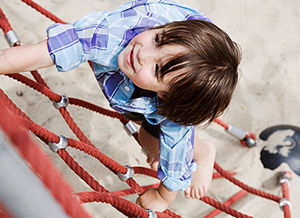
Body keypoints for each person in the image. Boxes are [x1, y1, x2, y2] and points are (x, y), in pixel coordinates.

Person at [0, 0, 241, 212]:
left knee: (152, 142)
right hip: (177, 37)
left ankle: (203, 151)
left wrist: (162, 197)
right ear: (160, 30)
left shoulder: (172, 109)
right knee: (150, 140)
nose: (142, 54)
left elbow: (176, 162)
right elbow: (42, 53)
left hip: (177, 83)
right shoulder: (110, 36)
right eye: (157, 40)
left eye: (156, 69)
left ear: (165, 98)